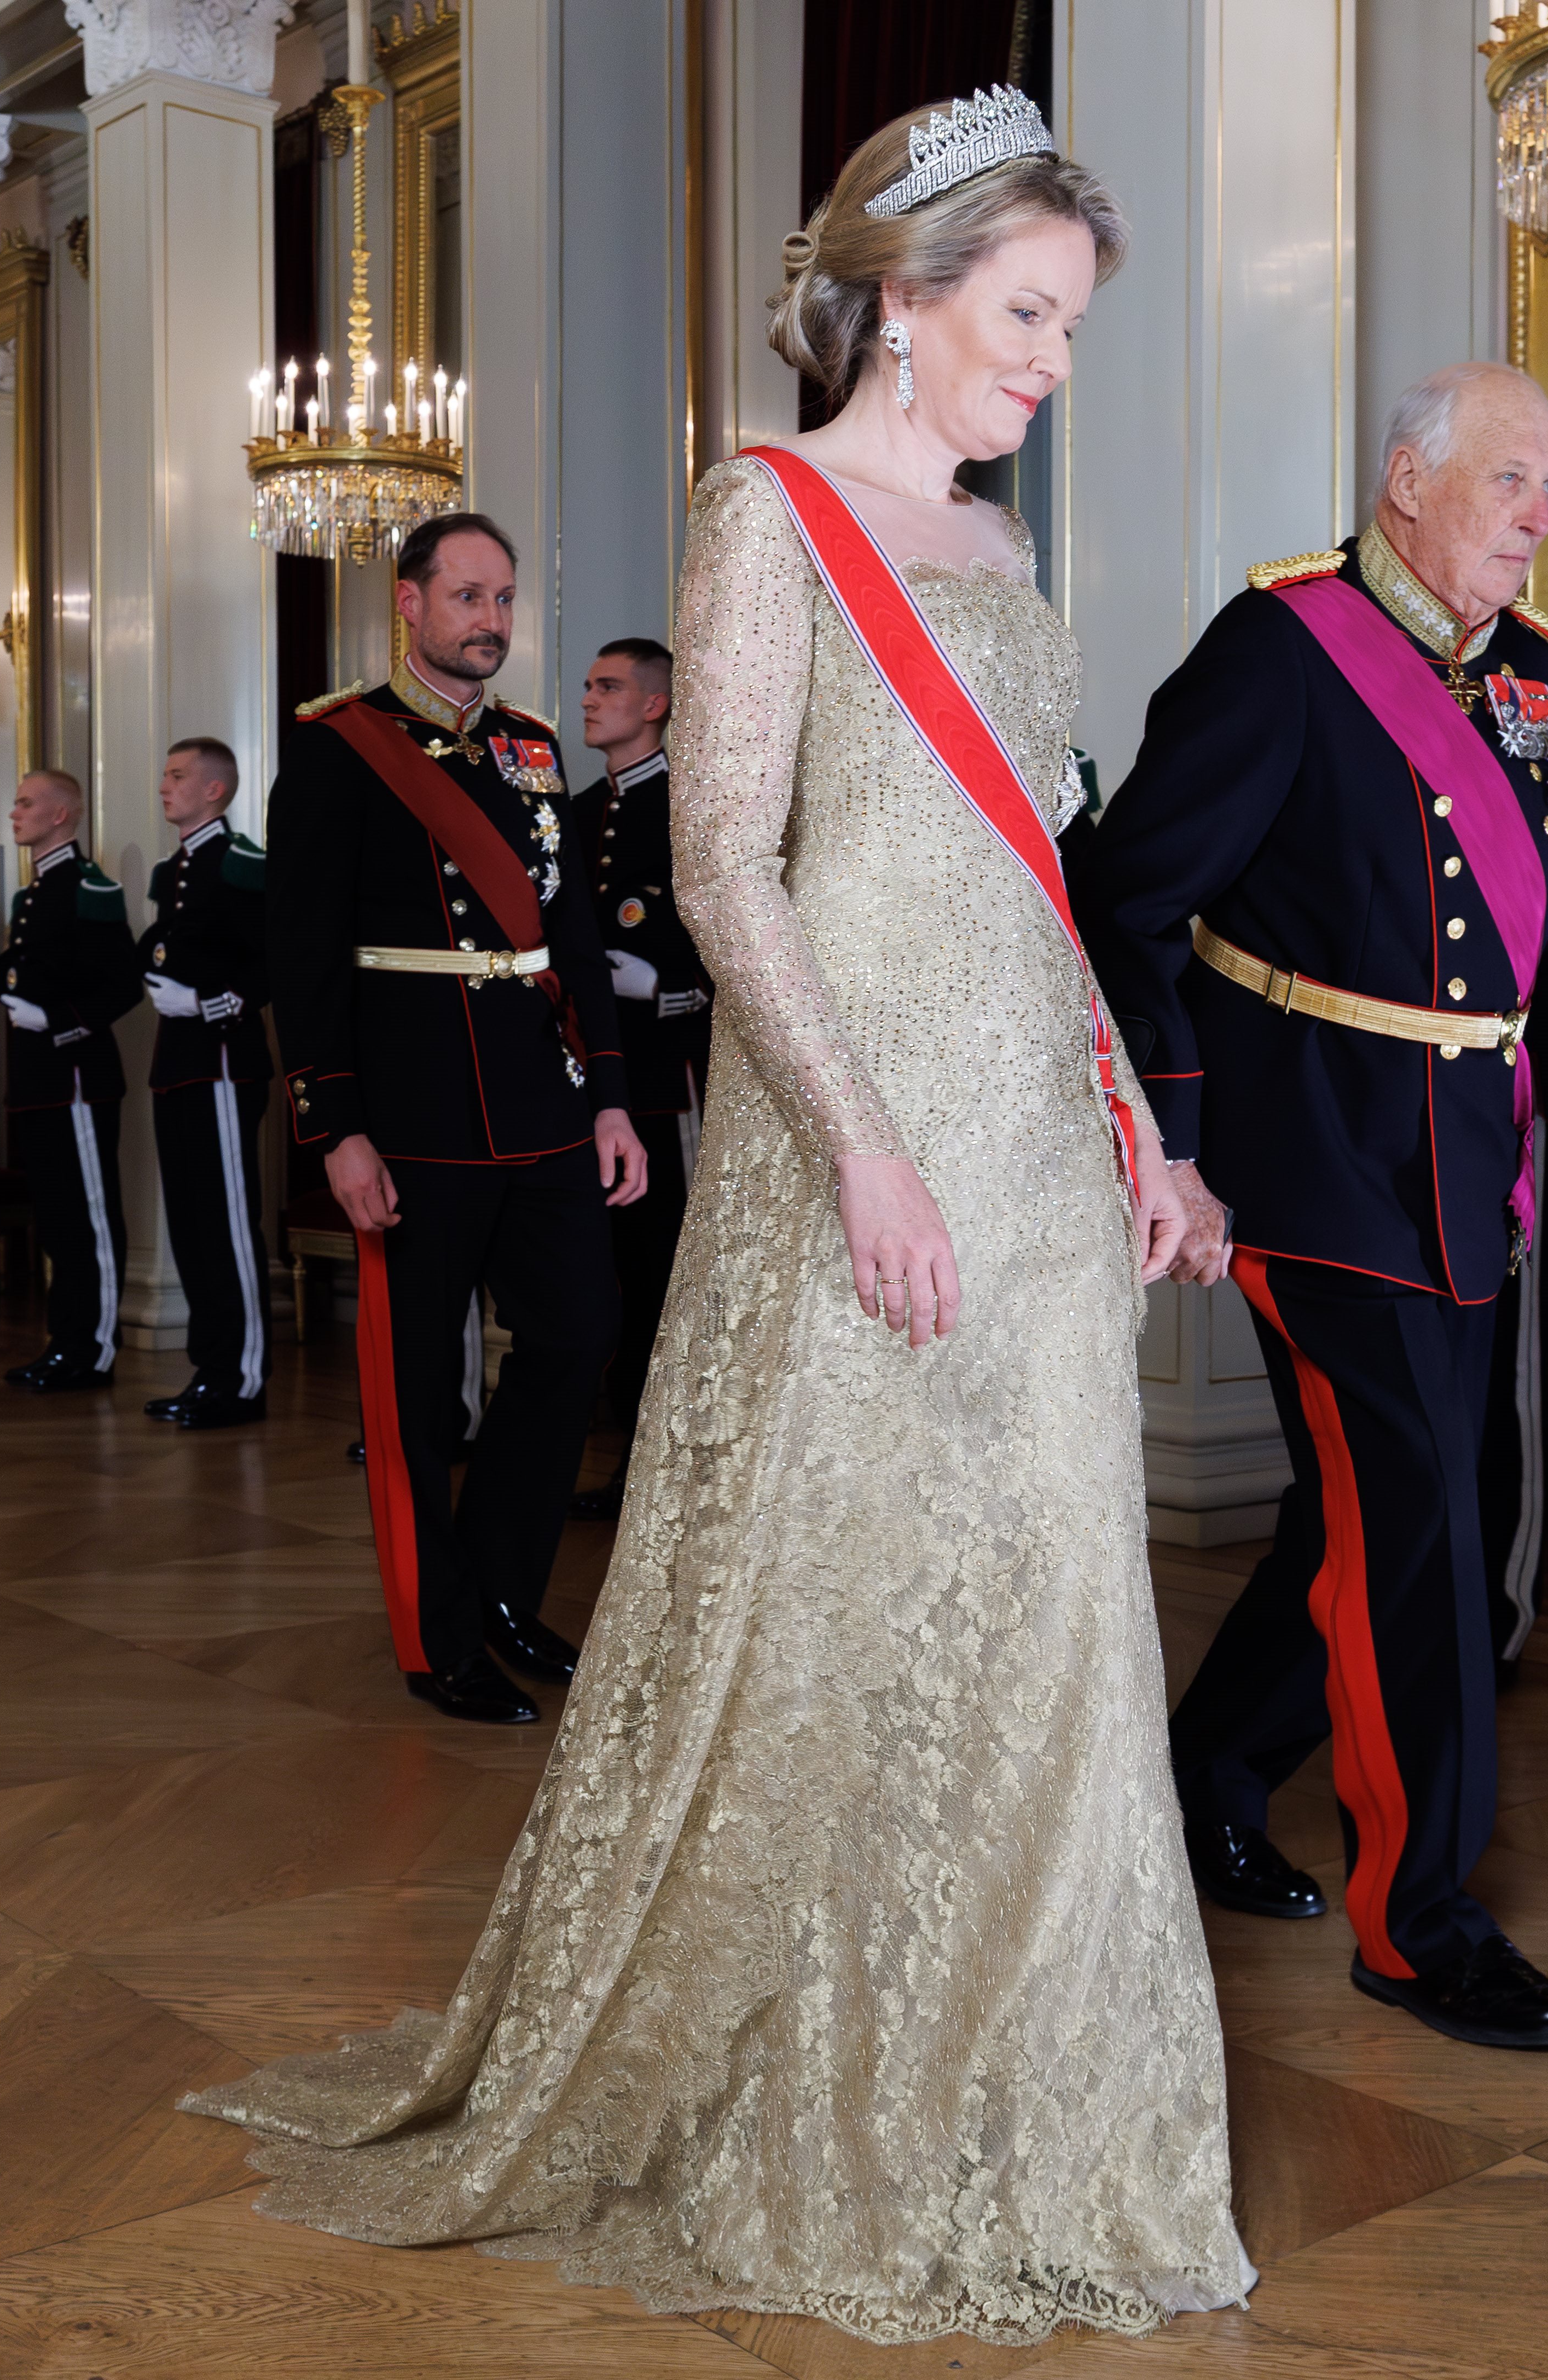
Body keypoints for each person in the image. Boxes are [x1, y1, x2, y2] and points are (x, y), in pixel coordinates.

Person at [186, 93, 1249, 2344]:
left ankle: (1038, 2100)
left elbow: (1039, 884)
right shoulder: (770, 509)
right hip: (854, 1132)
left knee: (1052, 1613)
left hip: (1039, 1157)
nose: (1055, 360)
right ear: (905, 295)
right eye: (1028, 313)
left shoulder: (1003, 549)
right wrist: (859, 1138)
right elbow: (720, 865)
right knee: (843, 1591)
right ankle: (826, 2059)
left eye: (1073, 324)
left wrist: (1145, 1126)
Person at [1076, 358, 1548, 2053]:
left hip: (1466, 1159)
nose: (1537, 515)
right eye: (1510, 479)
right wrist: (1173, 1142)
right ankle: (1420, 1926)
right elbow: (1126, 897)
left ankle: (1207, 1774)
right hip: (1311, 1159)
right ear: (1407, 482)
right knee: (1423, 1525)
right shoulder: (1281, 647)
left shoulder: (1536, 679)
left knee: (1402, 1512)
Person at [260, 514, 635, 1722]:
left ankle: (505, 1587)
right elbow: (302, 952)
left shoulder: (531, 747)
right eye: (468, 595)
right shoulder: (339, 745)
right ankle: (439, 1634)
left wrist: (612, 1095)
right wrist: (336, 1125)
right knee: (418, 1388)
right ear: (411, 603)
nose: (491, 619)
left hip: (541, 1096)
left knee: (576, 1334)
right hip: (411, 1107)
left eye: (505, 597)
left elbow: (570, 932)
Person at [565, 636, 712, 1520]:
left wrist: (665, 986)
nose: (589, 698)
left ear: (654, 704)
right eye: (588, 685)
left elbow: (729, 930)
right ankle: (624, 1458)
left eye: (609, 686)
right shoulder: (579, 814)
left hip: (666, 1075)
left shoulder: (692, 804)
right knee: (612, 1275)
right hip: (591, 1080)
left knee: (669, 1271)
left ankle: (668, 1471)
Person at [137, 737, 274, 1429]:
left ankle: (241, 1376)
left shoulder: (243, 862)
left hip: (222, 1057)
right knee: (192, 1222)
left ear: (215, 789)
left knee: (227, 1222)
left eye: (178, 775)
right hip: (179, 1061)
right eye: (166, 774)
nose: (165, 785)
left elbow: (274, 956)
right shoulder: (174, 869)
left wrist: (213, 1002)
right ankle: (210, 1368)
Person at [0, 768, 142, 1391]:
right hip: (38, 1076)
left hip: (77, 1072)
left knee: (88, 1215)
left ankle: (92, 1348)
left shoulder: (89, 886)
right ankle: (66, 1340)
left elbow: (123, 985)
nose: (15, 812)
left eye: (26, 803)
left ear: (61, 814)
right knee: (57, 1216)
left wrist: (58, 1021)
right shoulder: (31, 895)